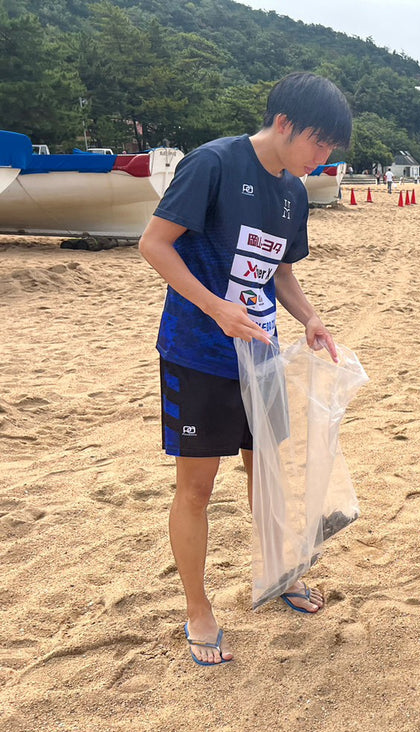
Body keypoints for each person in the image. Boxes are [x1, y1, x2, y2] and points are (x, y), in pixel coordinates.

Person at [139, 72, 352, 666]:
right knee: (196, 487)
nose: (322, 157)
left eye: (331, 148)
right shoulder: (213, 164)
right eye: (318, 142)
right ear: (284, 124)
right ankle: (198, 610)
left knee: (267, 475)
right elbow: (154, 244)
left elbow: (279, 270)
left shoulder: (294, 192)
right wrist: (216, 308)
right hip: (198, 353)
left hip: (261, 354)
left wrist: (309, 317)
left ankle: (283, 573)